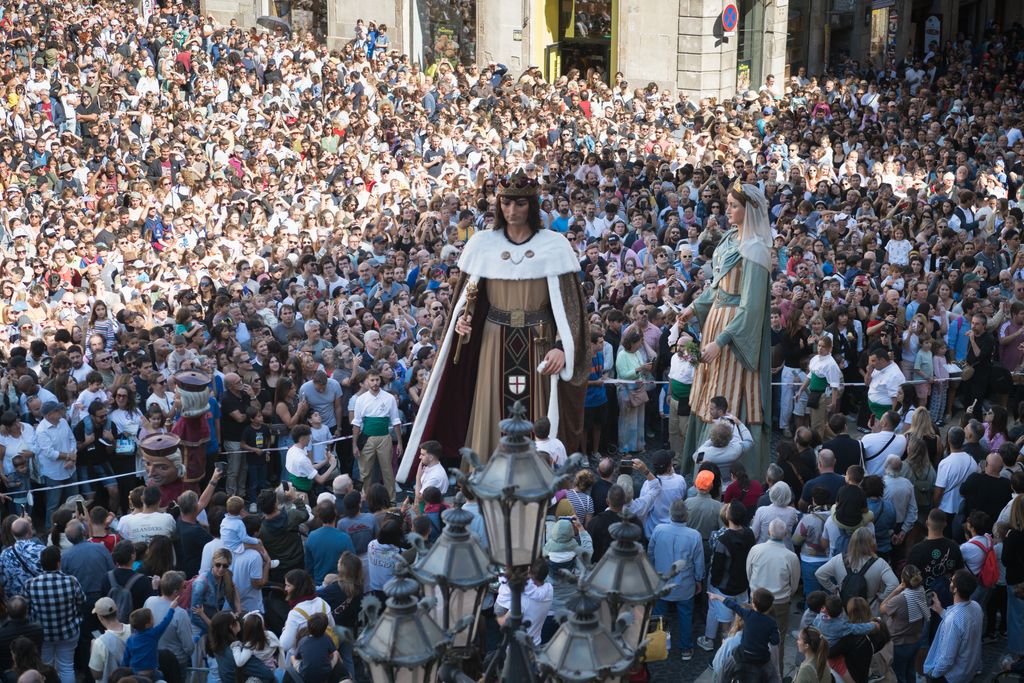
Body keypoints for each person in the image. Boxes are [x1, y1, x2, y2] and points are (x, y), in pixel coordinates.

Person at [399, 169, 589, 479]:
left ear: (532, 206)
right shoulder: (482, 245)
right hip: (493, 339)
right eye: (506, 204)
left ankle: (539, 471)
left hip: (538, 341)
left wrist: (561, 347)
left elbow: (570, 309)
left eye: (520, 204)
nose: (512, 211)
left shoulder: (553, 246)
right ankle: (488, 469)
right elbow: (469, 299)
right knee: (491, 406)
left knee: (537, 412)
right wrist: (462, 323)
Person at [678, 182, 772, 477]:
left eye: (734, 206)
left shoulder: (756, 250)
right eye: (728, 204)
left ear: (750, 211)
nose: (727, 210)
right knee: (708, 389)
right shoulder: (730, 239)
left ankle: (727, 473)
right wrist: (694, 307)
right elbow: (717, 287)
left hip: (733, 331)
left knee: (726, 392)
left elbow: (752, 306)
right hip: (715, 320)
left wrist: (721, 340)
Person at [648, 499, 704, 660]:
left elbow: (650, 553)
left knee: (658, 615)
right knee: (686, 616)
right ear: (686, 515)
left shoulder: (658, 530)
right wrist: (699, 580)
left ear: (670, 514)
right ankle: (686, 648)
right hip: (684, 584)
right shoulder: (694, 536)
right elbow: (698, 562)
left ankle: (658, 646)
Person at [699, 500, 755, 651]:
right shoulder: (750, 533)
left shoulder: (723, 540)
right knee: (738, 619)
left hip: (724, 587)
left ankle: (725, 651)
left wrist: (715, 583)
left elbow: (717, 567)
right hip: (743, 584)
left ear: (728, 517)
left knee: (724, 622)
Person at [746, 518, 800, 673]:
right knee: (778, 639)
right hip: (780, 601)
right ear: (785, 535)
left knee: (753, 634)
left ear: (768, 532)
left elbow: (749, 573)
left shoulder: (755, 550)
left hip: (756, 599)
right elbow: (794, 584)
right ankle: (777, 674)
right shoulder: (791, 556)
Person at [24, 547, 85, 683]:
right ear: (58, 562)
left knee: (46, 667)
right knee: (67, 666)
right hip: (69, 631)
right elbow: (82, 601)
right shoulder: (71, 581)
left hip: (43, 634)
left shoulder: (30, 584)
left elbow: (26, 610)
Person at [815, 527, 899, 610]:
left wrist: (833, 588)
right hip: (869, 609)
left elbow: (819, 574)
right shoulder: (880, 563)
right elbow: (894, 584)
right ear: (871, 543)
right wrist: (882, 597)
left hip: (844, 608)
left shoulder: (838, 559)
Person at [924, 569, 984, 683]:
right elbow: (962, 625)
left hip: (951, 677)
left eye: (952, 580)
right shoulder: (976, 607)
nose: (950, 581)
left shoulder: (953, 620)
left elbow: (947, 659)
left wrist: (933, 674)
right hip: (968, 671)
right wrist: (941, 610)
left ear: (955, 589)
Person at [352, 367, 403, 497]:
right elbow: (356, 423)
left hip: (384, 437)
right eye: (372, 380)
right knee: (366, 472)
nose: (375, 383)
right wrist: (354, 445)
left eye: (377, 379)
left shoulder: (389, 398)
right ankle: (367, 499)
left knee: (387, 471)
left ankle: (391, 499)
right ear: (367, 382)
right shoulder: (360, 399)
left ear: (380, 380)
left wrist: (400, 443)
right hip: (367, 438)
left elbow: (396, 420)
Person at [879, 564, 928, 683]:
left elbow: (882, 608)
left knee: (899, 676)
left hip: (899, 644)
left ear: (902, 580)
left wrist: (896, 590)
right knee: (911, 673)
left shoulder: (899, 600)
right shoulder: (921, 592)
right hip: (915, 641)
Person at [88, 598, 130, 683]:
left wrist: (93, 649)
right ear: (116, 611)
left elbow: (96, 674)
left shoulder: (99, 643)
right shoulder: (133, 629)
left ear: (99, 617)